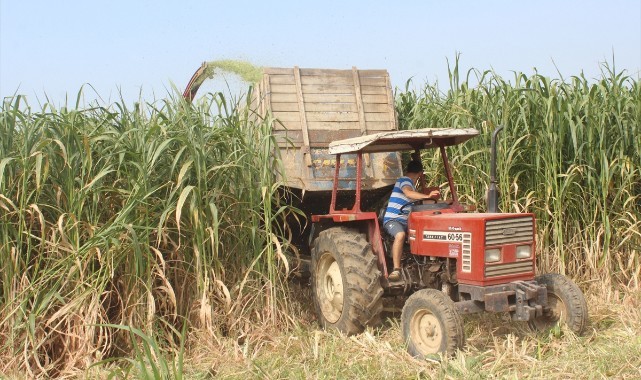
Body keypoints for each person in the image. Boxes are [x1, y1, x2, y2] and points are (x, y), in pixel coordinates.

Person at [382, 160, 440, 281]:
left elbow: (424, 203)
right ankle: (396, 270)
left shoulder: (412, 188)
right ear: (419, 174)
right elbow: (408, 193)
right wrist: (428, 196)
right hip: (393, 220)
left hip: (405, 222)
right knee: (400, 235)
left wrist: (444, 203)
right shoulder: (404, 180)